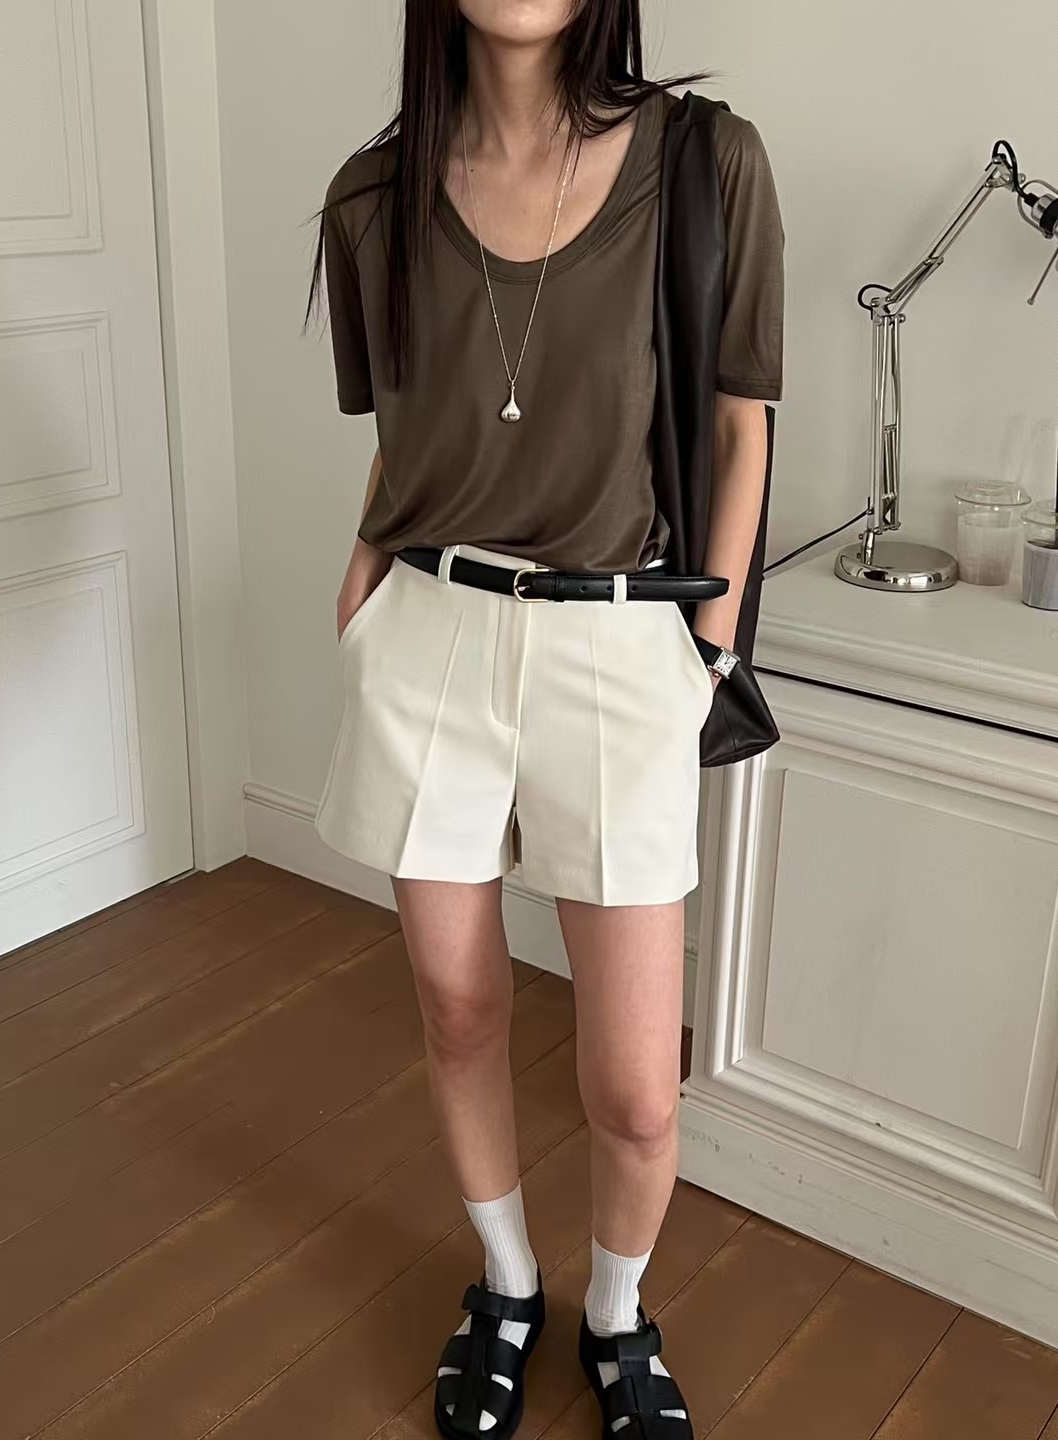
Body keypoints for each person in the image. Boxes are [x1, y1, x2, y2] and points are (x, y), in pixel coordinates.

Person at [308, 3, 783, 1434]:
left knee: (636, 1087)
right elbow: (401, 433)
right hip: (429, 628)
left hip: (624, 637)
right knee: (458, 1008)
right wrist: (364, 588)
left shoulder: (706, 163)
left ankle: (618, 1312)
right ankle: (507, 1284)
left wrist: (707, 648)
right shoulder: (371, 194)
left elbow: (742, 421)